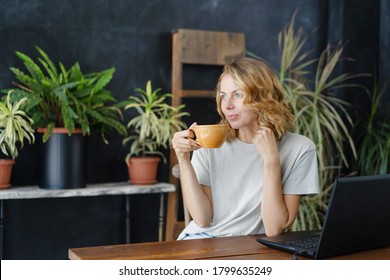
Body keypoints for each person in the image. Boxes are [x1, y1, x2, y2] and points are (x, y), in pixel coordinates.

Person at [172, 57, 319, 240]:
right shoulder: (210, 141)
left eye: (238, 94)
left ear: (263, 97)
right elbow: (202, 219)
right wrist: (184, 159)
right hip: (204, 240)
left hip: (257, 247)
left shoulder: (300, 149)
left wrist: (271, 160)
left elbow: (274, 229)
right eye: (223, 95)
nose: (227, 105)